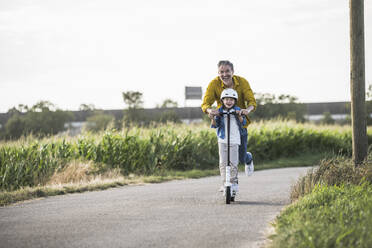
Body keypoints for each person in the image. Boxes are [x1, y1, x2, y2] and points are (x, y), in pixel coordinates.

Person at [201, 60, 256, 181]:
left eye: (227, 71)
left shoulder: (242, 82)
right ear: (218, 72)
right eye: (221, 72)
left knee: (241, 157)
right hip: (224, 122)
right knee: (225, 158)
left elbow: (252, 101)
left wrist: (247, 110)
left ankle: (248, 158)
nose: (224, 74)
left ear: (233, 72)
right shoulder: (213, 84)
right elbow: (205, 104)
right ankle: (227, 182)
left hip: (240, 123)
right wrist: (210, 111)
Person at [210, 88, 246, 194]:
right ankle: (224, 182)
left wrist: (239, 115)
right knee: (223, 163)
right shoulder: (219, 111)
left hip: (234, 140)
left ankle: (234, 182)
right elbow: (214, 125)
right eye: (226, 99)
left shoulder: (238, 110)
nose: (229, 102)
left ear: (235, 101)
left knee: (233, 162)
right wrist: (212, 117)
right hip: (222, 140)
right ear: (222, 100)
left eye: (231, 99)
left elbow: (243, 122)